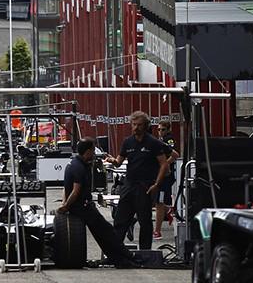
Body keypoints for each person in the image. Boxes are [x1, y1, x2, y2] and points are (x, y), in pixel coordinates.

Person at [59, 137, 138, 268]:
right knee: (107, 232)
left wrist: (64, 203)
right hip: (83, 207)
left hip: (79, 206)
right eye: (93, 150)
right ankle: (128, 257)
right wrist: (66, 205)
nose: (94, 154)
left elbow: (66, 188)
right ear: (88, 151)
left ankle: (117, 259)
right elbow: (75, 191)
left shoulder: (72, 164)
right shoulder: (79, 168)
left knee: (101, 235)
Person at [105, 111, 171, 249]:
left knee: (145, 221)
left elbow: (164, 164)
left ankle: (145, 252)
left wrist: (156, 184)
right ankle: (115, 251)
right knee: (120, 219)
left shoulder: (153, 143)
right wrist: (112, 160)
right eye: (134, 124)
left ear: (146, 126)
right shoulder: (127, 142)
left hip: (145, 186)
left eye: (139, 125)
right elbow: (118, 162)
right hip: (129, 184)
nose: (136, 127)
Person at [153, 119, 179, 239]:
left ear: (168, 130)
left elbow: (174, 155)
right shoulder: (159, 140)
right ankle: (169, 210)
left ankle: (157, 231)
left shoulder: (168, 140)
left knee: (159, 202)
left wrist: (165, 165)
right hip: (159, 175)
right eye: (159, 129)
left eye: (163, 129)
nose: (160, 131)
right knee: (157, 200)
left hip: (165, 176)